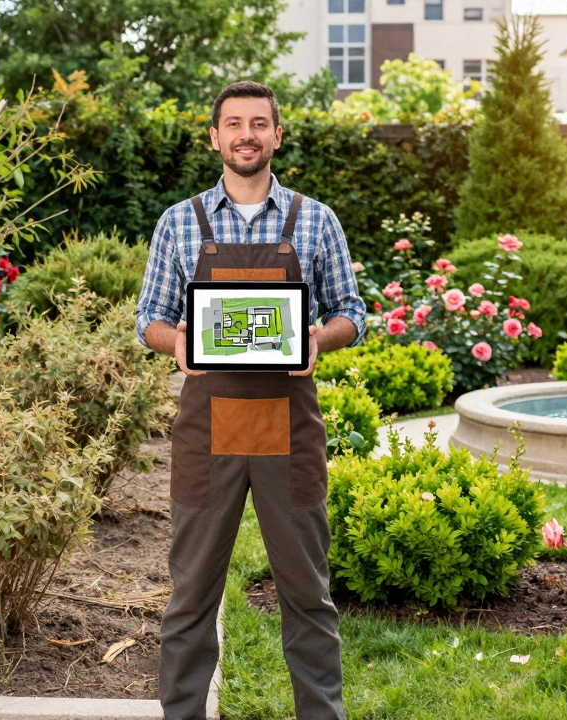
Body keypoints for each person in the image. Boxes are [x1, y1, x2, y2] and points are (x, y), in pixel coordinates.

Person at [135, 80, 364, 720]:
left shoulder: (316, 220)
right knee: (190, 600)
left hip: (289, 433)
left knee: (308, 598)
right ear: (215, 138)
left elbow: (352, 312)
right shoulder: (179, 222)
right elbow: (148, 318)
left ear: (276, 136)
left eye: (258, 123)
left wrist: (321, 337)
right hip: (206, 435)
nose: (246, 134)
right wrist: (174, 342)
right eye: (233, 123)